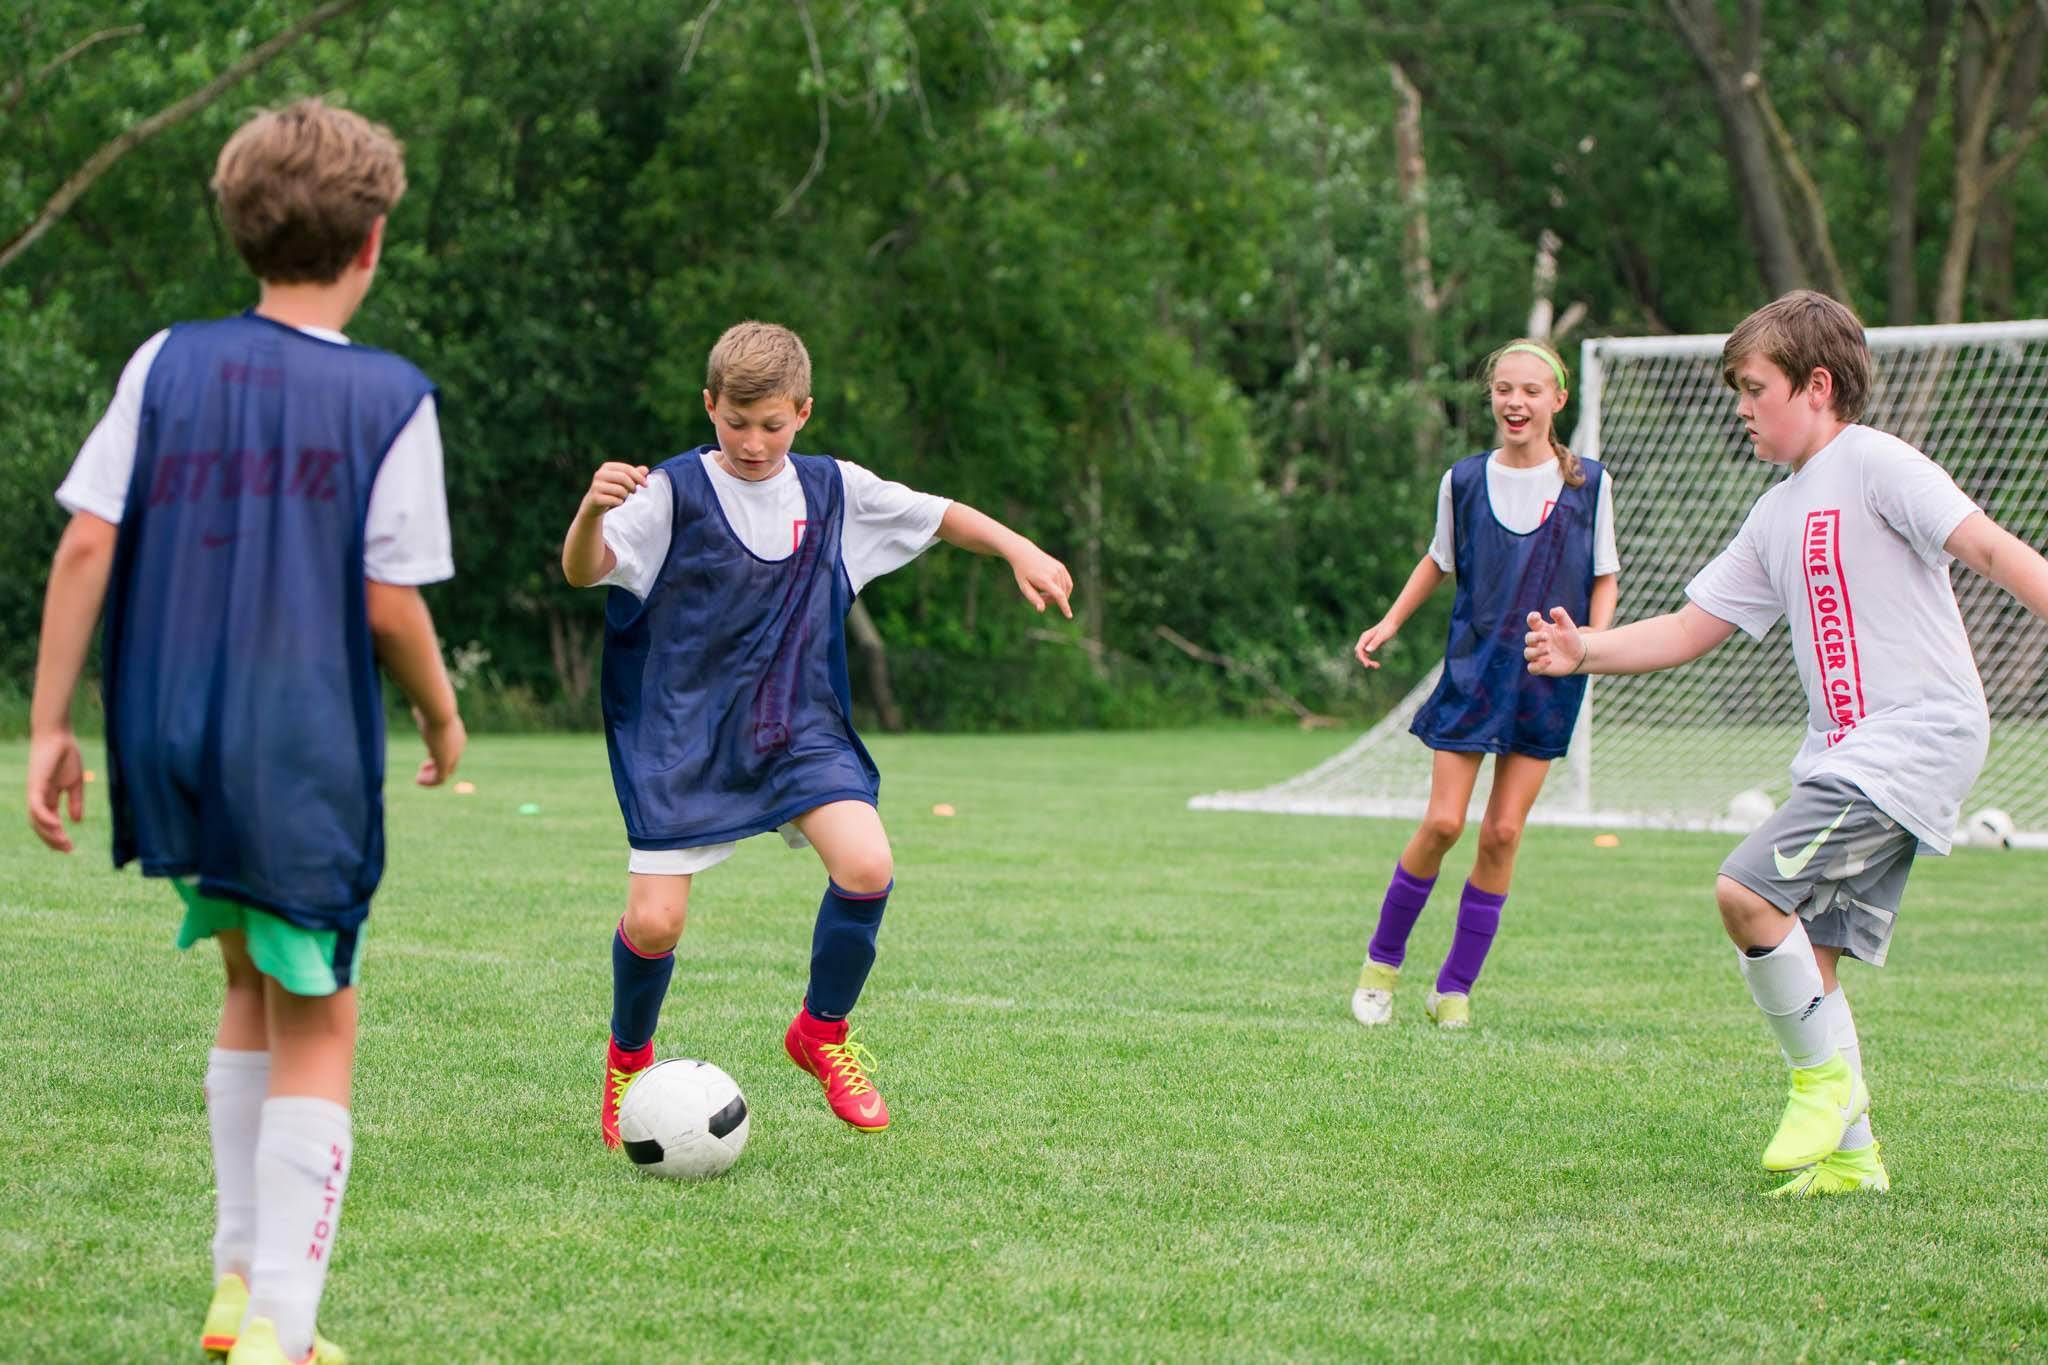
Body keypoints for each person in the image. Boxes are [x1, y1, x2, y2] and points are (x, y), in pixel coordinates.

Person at [25, 99, 464, 1363]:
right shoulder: (389, 395)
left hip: (169, 726)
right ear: (372, 240)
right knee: (324, 1015)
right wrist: (442, 715)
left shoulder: (165, 358)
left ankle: (233, 1286)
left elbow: (89, 542)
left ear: (241, 229)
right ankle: (285, 1328)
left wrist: (51, 724)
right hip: (297, 746)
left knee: (251, 982)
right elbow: (389, 603)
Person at [1524, 290, 2048, 1195]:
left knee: (1746, 890)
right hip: (1849, 752)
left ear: (1816, 386)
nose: (1740, 407)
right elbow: (1691, 627)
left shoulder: (1878, 463)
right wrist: (1583, 651)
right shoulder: (1775, 515)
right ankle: (1852, 1155)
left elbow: (1996, 551)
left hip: (1915, 737)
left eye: (1753, 388)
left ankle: (1820, 1083)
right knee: (1814, 952)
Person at [562, 321, 1072, 1142]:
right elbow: (585, 570)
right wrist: (593, 510)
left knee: (868, 863)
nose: (754, 442)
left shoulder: (834, 489)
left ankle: (821, 1032)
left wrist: (1021, 549)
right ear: (709, 407)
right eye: (735, 423)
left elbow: (942, 514)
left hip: (795, 725)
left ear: (803, 412)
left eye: (772, 424)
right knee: (655, 923)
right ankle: (628, 1058)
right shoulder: (668, 493)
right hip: (685, 735)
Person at [1350, 339, 1620, 1029]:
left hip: (1546, 681)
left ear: (1559, 400)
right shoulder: (1463, 480)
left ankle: (1454, 988)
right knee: (1444, 821)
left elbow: (1603, 577)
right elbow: (1437, 560)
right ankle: (1382, 965)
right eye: (1504, 388)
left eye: (1531, 390)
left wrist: (1592, 649)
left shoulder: (1590, 483)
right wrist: (1388, 622)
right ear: (1491, 396)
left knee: (1501, 832)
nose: (1515, 402)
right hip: (1472, 671)